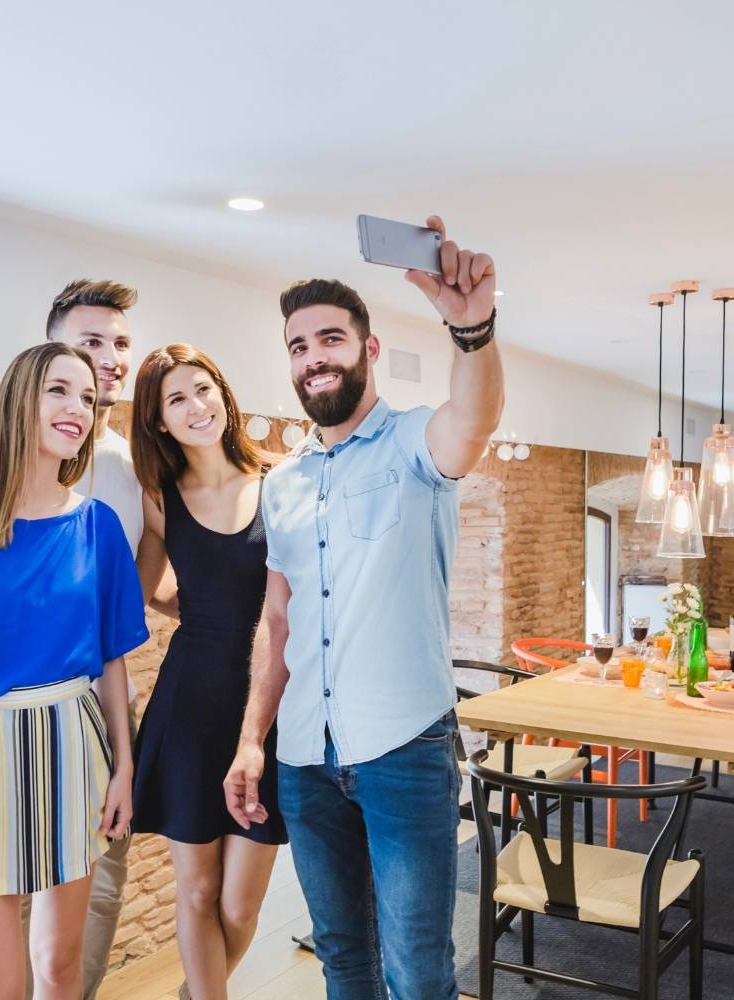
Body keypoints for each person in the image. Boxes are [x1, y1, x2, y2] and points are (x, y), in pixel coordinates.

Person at [223, 217, 504, 999]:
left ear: (367, 349)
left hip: (402, 748)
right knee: (342, 957)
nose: (314, 357)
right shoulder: (280, 484)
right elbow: (276, 624)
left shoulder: (415, 444)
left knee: (416, 968)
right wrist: (252, 741)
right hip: (304, 756)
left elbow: (473, 419)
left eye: (330, 339)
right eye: (298, 346)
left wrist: (471, 331)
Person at [0, 279, 172, 998]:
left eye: (119, 344)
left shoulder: (128, 470)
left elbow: (131, 603)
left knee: (69, 957)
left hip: (86, 727)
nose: (107, 360)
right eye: (89, 344)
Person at [128, 344, 287, 1000]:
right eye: (177, 399)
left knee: (240, 908)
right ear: (159, 420)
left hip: (268, 708)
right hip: (188, 704)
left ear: (223, 394)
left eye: (204, 389)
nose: (197, 407)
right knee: (194, 890)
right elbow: (141, 592)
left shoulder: (280, 482)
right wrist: (196, 609)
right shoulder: (160, 498)